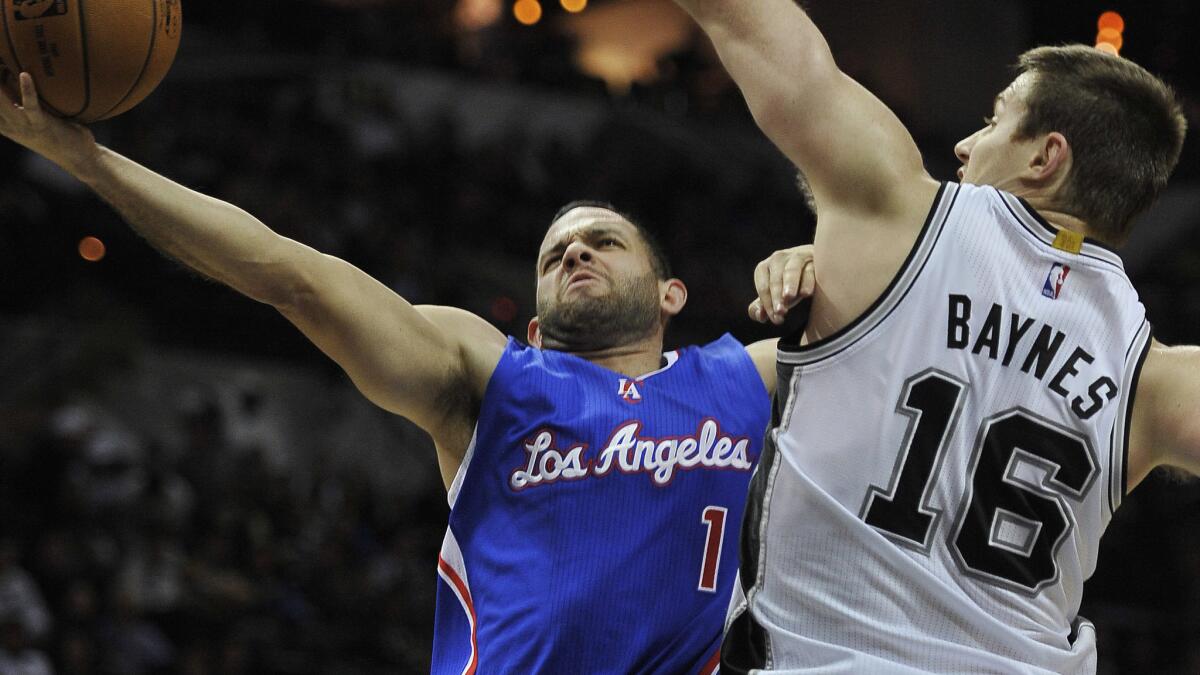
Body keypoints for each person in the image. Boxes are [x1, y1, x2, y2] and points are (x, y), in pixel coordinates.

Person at [0, 73, 814, 673]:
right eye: (554, 253)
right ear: (533, 324)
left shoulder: (743, 377)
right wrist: (92, 163)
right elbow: (291, 274)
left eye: (602, 241)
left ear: (671, 292)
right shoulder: (489, 375)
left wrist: (815, 264)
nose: (574, 250)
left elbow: (899, 305)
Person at [672, 1, 1194, 672]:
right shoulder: (1155, 376)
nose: (965, 145)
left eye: (996, 119)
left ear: (1045, 156)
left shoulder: (898, 211)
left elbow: (751, 26)